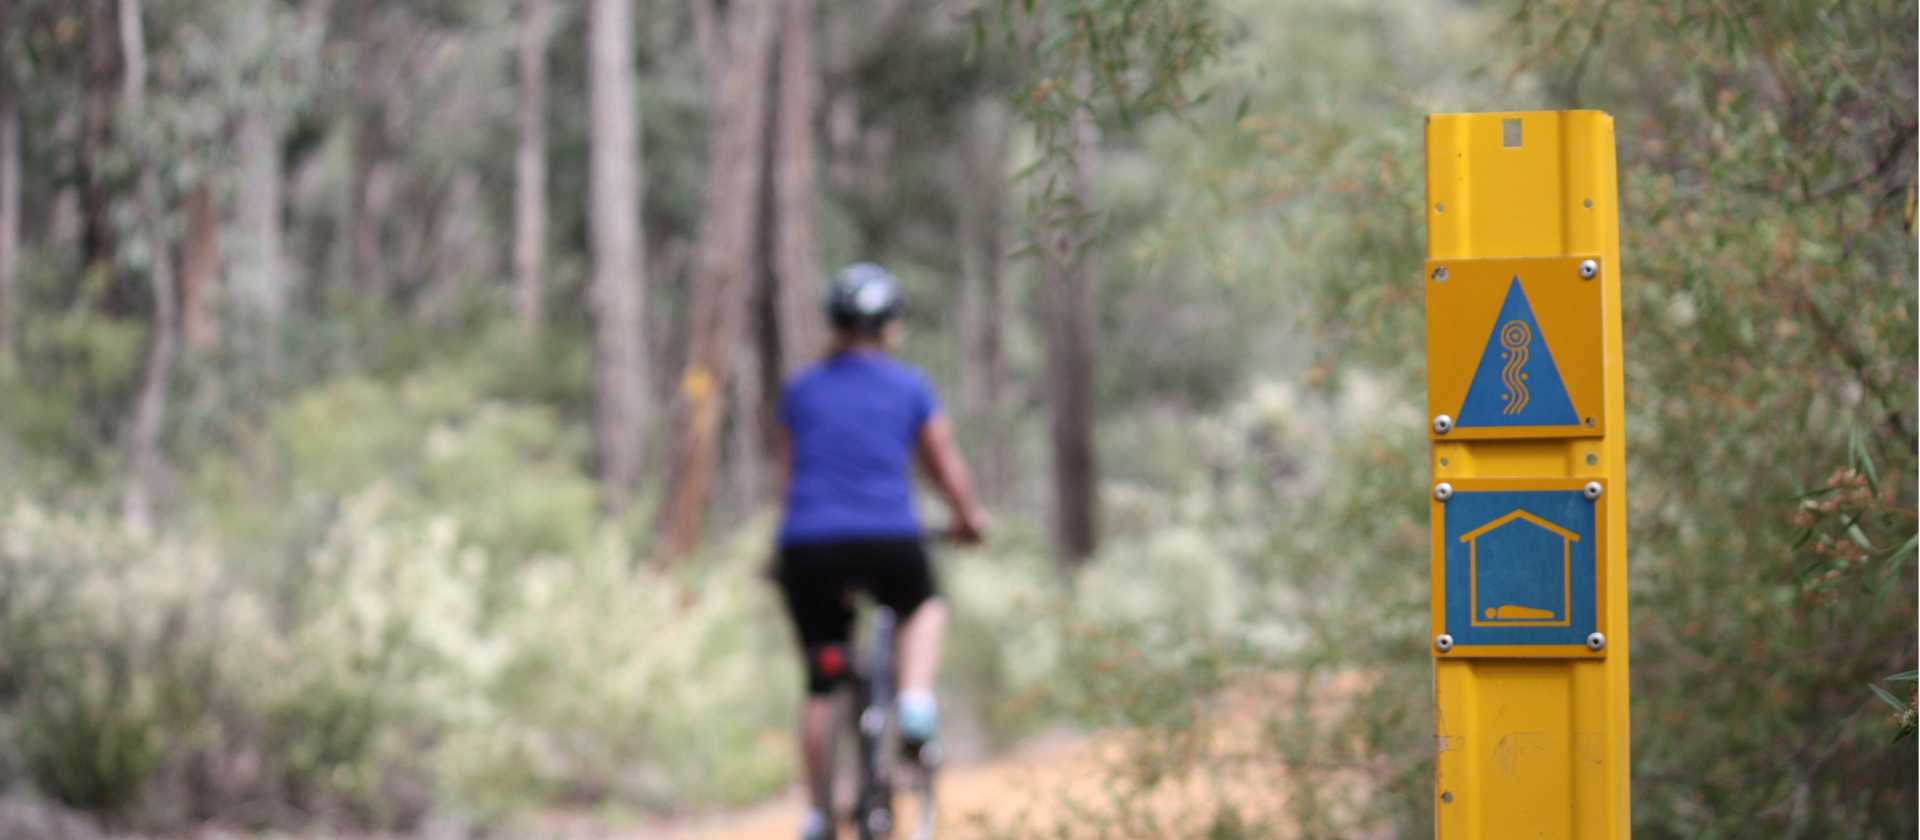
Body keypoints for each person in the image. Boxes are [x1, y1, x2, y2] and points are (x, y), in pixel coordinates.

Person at [773, 262, 987, 840]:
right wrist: (968, 520)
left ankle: (818, 813)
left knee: (821, 679)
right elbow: (943, 465)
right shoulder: (909, 386)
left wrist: (785, 546)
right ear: (892, 326)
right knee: (924, 606)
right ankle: (915, 700)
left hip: (808, 544)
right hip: (890, 538)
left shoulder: (802, 389)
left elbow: (788, 478)